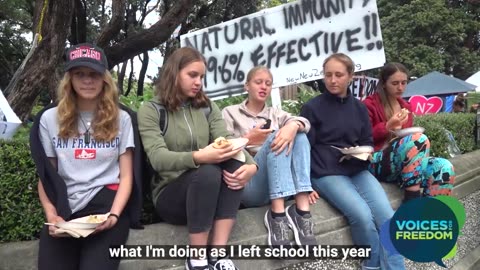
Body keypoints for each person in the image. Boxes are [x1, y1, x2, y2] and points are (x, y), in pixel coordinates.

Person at [137, 47, 257, 270]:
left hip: (207, 194)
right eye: (192, 75)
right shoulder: (151, 110)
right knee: (209, 169)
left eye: (201, 77)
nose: (198, 82)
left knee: (234, 163)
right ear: (174, 73)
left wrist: (251, 166)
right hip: (170, 196)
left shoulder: (207, 107)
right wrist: (200, 156)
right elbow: (158, 158)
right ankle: (197, 259)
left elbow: (228, 140)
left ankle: (218, 255)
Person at [31, 43, 138, 270]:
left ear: (105, 79)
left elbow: (127, 177)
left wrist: (114, 215)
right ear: (69, 78)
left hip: (106, 206)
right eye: (80, 74)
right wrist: (52, 215)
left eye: (94, 74)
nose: (87, 80)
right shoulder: (49, 119)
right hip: (65, 210)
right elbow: (46, 176)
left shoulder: (123, 118)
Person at [300, 53, 405, 270]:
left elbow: (367, 140)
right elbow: (303, 149)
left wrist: (363, 152)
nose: (332, 80)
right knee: (362, 217)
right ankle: (372, 266)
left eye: (339, 75)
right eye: (328, 75)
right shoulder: (311, 108)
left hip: (357, 167)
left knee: (387, 216)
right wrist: (303, 185)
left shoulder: (358, 108)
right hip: (325, 171)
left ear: (350, 76)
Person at [222, 66, 317, 247]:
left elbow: (304, 123)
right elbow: (223, 148)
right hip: (249, 184)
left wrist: (292, 126)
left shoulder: (276, 113)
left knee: (298, 132)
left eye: (268, 83)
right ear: (246, 86)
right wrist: (248, 139)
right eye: (258, 82)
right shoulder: (230, 113)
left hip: (278, 183)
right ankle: (277, 216)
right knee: (279, 134)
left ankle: (302, 211)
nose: (264, 87)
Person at [363, 62, 455, 200]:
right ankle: (412, 201)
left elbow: (407, 140)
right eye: (395, 83)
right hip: (376, 161)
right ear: (383, 83)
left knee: (444, 167)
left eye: (403, 83)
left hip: (404, 163)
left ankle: (432, 214)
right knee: (420, 140)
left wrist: (402, 131)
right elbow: (363, 137)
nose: (400, 87)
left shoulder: (406, 106)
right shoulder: (369, 104)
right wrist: (388, 126)